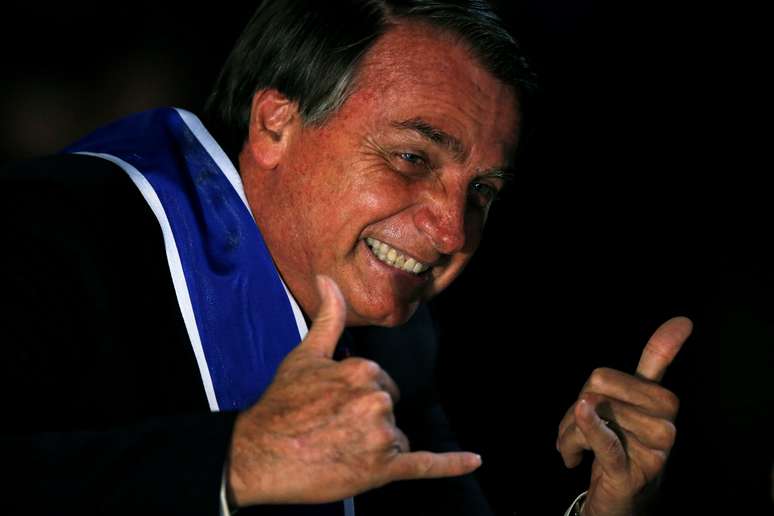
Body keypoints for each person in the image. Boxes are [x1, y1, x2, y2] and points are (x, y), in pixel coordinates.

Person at [0, 1, 691, 514]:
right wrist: (236, 461)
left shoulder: (398, 343)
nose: (453, 232)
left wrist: (603, 512)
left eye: (481, 192)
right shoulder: (44, 234)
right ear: (276, 122)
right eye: (412, 158)